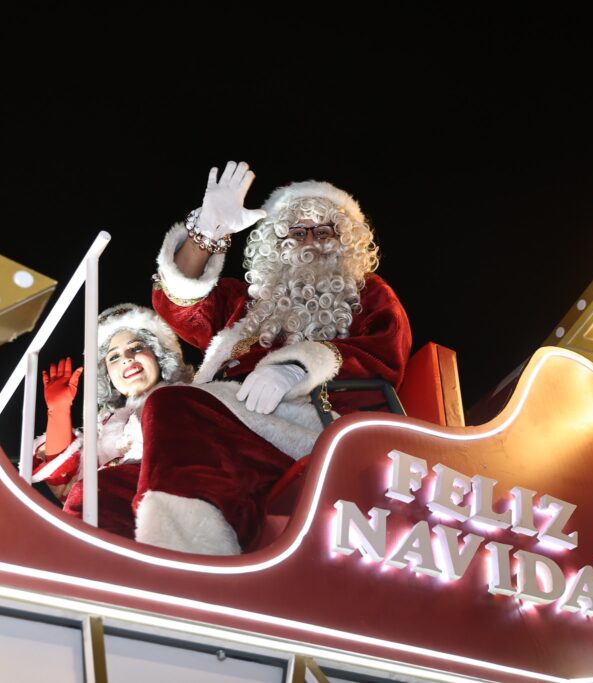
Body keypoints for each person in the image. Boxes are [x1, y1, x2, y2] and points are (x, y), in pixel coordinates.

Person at [133, 161, 412, 555]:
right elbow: (178, 305)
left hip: (316, 430)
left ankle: (190, 564)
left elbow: (384, 353)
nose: (310, 241)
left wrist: (295, 368)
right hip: (228, 422)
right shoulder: (244, 302)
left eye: (324, 231)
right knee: (109, 487)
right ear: (278, 243)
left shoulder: (367, 293)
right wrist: (206, 233)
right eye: (297, 232)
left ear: (345, 241)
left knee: (171, 403)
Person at [31, 304, 192, 539]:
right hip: (110, 529)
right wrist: (58, 412)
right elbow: (68, 486)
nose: (127, 359)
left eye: (136, 347)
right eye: (114, 356)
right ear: (106, 375)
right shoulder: (105, 426)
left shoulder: (191, 399)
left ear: (159, 356)